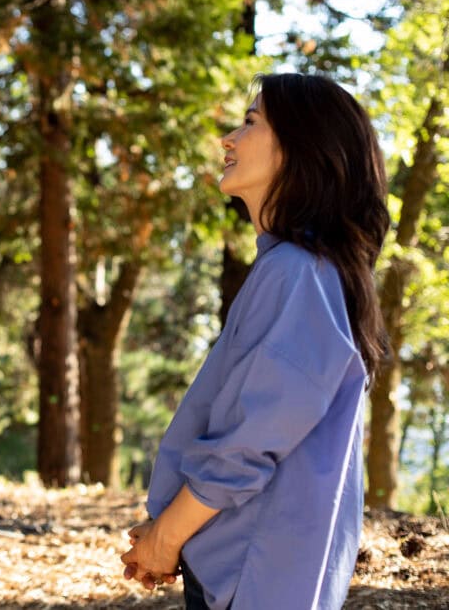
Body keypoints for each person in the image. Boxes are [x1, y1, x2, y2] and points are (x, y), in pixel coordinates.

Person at [120, 73, 390, 609]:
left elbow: (252, 441)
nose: (228, 139)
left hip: (254, 576)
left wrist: (167, 537)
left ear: (300, 149)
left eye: (250, 123)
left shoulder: (297, 273)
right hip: (245, 567)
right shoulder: (295, 269)